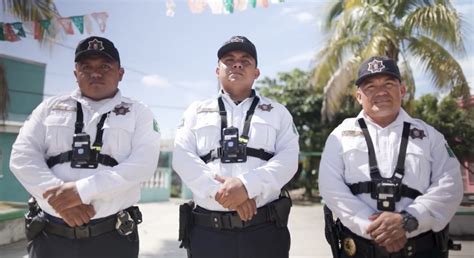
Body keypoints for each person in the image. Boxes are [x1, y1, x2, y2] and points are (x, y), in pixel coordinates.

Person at [9, 36, 161, 258]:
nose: (95, 73)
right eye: (86, 67)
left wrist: (81, 192)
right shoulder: (50, 108)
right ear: (75, 73)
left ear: (120, 73)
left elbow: (143, 165)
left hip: (111, 238)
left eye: (105, 66)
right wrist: (63, 202)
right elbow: (22, 157)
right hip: (50, 236)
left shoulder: (139, 112)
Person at [318, 56, 463, 258]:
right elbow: (330, 187)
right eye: (370, 86)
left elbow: (450, 184)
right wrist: (372, 225)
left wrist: (407, 221)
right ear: (359, 96)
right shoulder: (339, 136)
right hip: (360, 250)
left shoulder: (430, 136)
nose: (381, 92)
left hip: (421, 249)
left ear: (402, 90)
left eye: (388, 83)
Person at [172, 35, 299, 258]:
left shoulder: (278, 112)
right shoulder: (196, 111)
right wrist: (222, 193)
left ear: (256, 72)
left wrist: (247, 187)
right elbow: (182, 158)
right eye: (229, 60)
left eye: (245, 60)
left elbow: (288, 160)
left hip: (264, 231)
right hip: (208, 233)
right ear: (217, 70)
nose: (237, 64)